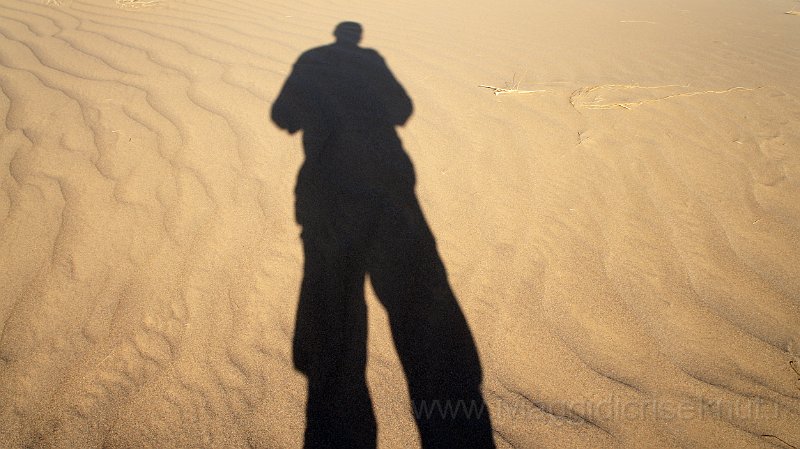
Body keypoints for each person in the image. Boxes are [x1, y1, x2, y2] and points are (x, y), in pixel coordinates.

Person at [272, 22, 495, 449]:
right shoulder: (371, 60)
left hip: (329, 193)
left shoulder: (310, 60)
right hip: (388, 188)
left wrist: (320, 110)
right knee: (418, 306)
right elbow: (402, 109)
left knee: (337, 308)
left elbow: (284, 116)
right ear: (355, 36)